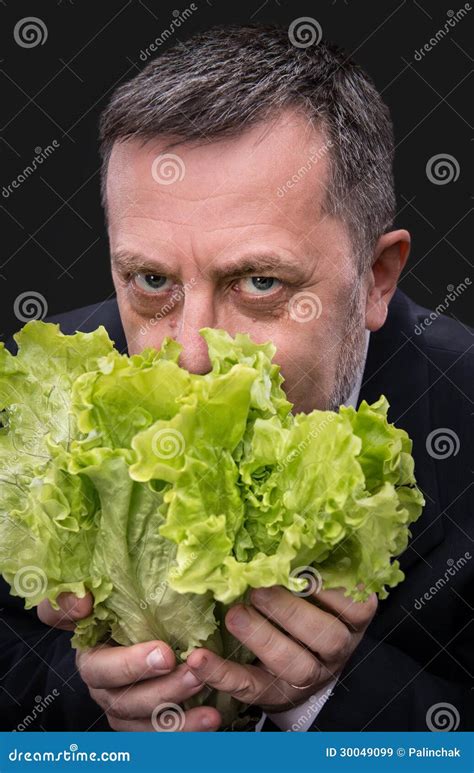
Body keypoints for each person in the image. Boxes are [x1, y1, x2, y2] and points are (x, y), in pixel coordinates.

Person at [1, 25, 472, 733]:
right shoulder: (34, 394)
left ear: (376, 279)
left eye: (259, 282)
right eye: (151, 280)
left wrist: (323, 696)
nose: (191, 353)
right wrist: (90, 688)